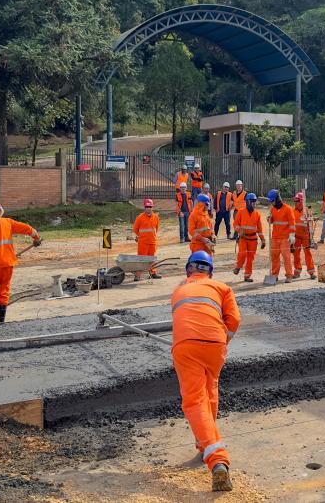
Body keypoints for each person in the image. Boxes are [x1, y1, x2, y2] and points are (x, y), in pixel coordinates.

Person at [171, 251, 241, 491]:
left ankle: (216, 457)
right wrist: (222, 341)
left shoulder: (179, 289)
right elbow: (234, 320)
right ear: (210, 271)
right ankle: (205, 445)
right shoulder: (222, 288)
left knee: (194, 399)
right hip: (215, 345)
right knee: (210, 391)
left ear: (188, 270)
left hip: (186, 345)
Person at [232, 193, 265, 282]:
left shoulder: (257, 214)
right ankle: (238, 266)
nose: (254, 204)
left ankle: (247, 276)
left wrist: (262, 239)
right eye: (252, 202)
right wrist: (239, 230)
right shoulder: (241, 212)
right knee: (242, 254)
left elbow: (260, 228)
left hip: (253, 239)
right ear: (247, 202)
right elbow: (235, 224)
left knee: (251, 258)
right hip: (243, 238)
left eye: (255, 202)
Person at [266, 189, 295, 283]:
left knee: (286, 257)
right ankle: (274, 275)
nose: (272, 203)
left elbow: (292, 223)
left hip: (285, 238)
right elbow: (272, 221)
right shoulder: (273, 209)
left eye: (272, 201)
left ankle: (289, 275)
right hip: (275, 237)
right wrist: (269, 219)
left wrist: (292, 235)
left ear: (277, 199)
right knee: (274, 257)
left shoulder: (288, 209)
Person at [133, 199, 161, 281]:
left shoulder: (156, 217)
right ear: (144, 207)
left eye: (150, 207)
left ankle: (153, 273)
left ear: (152, 207)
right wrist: (141, 236)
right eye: (147, 207)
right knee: (141, 259)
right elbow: (135, 229)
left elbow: (156, 229)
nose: (148, 208)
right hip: (143, 243)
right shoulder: (140, 218)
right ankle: (137, 276)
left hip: (152, 242)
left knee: (152, 258)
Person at [291, 192, 316, 279]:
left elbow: (311, 224)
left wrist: (311, 237)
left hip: (306, 236)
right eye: (294, 201)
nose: (295, 203)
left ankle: (311, 272)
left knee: (308, 253)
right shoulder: (292, 211)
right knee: (296, 254)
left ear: (301, 201)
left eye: (297, 201)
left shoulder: (307, 211)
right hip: (296, 236)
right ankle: (297, 272)